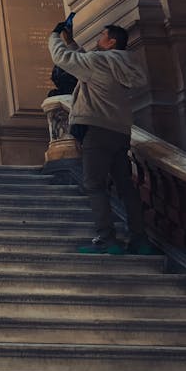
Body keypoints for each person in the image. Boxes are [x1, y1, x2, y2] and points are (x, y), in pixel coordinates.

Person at [48, 21, 155, 256]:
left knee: (94, 185)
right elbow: (87, 61)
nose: (99, 37)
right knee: (126, 186)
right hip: (121, 132)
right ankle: (140, 240)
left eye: (102, 35)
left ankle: (107, 241)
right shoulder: (123, 64)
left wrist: (55, 35)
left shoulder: (98, 63)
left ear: (112, 41)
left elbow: (62, 58)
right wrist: (71, 40)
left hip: (97, 131)